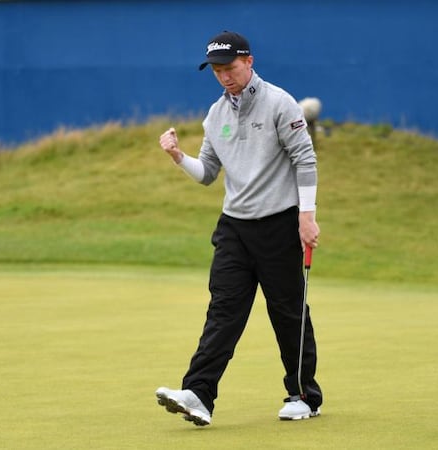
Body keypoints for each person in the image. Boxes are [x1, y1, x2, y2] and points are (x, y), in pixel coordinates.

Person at [154, 30, 323, 427]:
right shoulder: (216, 115)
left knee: (287, 311)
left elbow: (306, 159)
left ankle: (303, 395)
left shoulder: (280, 103)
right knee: (223, 310)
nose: (224, 76)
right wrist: (179, 157)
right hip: (234, 227)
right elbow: (208, 173)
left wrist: (307, 214)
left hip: (280, 223)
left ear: (248, 62)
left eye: (230, 67)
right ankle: (198, 393)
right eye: (216, 70)